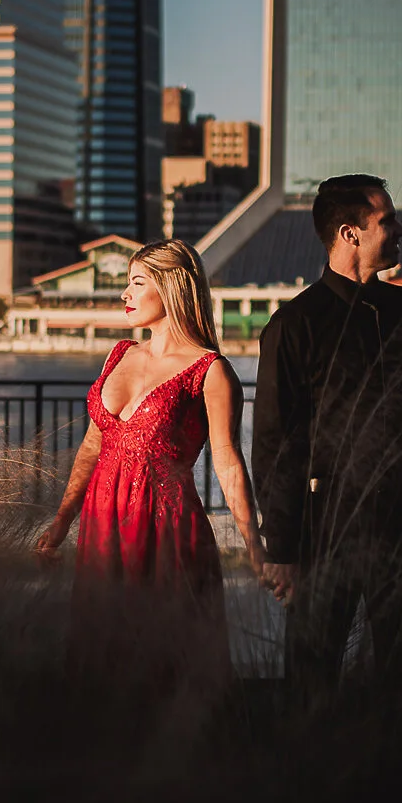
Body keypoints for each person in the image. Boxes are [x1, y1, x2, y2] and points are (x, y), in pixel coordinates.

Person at [252, 175, 402, 697]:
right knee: (312, 675)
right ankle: (310, 776)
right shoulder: (294, 323)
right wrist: (280, 546)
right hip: (325, 528)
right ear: (350, 233)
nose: (401, 231)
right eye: (387, 221)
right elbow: (275, 442)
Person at [36, 240, 269, 684]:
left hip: (164, 530)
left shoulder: (210, 370)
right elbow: (92, 446)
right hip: (102, 526)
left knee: (163, 659)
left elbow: (228, 463)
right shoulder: (119, 354)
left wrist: (254, 546)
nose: (124, 294)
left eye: (137, 282)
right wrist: (63, 519)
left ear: (172, 288)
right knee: (101, 653)